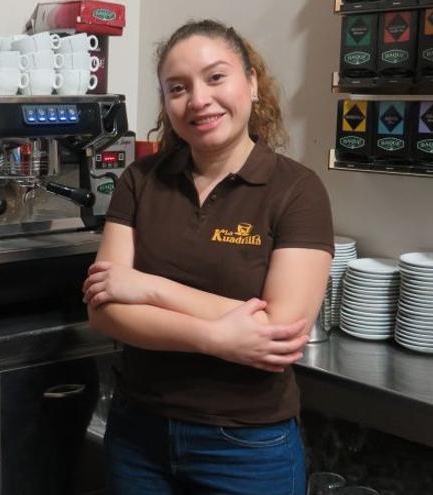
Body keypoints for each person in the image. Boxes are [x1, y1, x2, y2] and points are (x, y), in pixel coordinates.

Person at [82, 19, 334, 495]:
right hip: (138, 434)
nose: (198, 100)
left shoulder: (297, 191)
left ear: (252, 83)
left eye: (216, 77)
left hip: (245, 447)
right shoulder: (140, 180)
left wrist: (148, 288)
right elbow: (105, 310)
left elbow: (279, 331)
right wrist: (215, 337)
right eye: (178, 88)